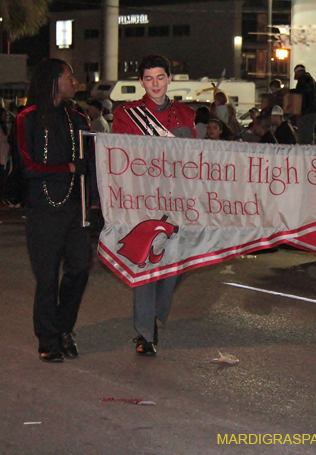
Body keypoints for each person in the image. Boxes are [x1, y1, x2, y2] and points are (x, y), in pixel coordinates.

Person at [113, 54, 196, 356]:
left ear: (170, 79)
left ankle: (154, 316)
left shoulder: (186, 114)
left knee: (174, 265)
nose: (155, 84)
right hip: (143, 201)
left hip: (178, 198)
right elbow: (120, 158)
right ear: (141, 82)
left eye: (160, 77)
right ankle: (145, 333)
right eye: (148, 79)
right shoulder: (126, 114)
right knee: (145, 263)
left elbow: (197, 159)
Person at [17, 58, 96, 362]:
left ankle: (64, 328)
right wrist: (68, 168)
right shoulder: (28, 118)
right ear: (53, 80)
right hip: (43, 210)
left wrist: (95, 197)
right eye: (69, 75)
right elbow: (28, 166)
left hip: (76, 209)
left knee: (79, 268)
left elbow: (90, 165)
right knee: (47, 277)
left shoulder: (78, 119)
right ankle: (48, 339)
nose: (75, 81)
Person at [291, 64, 316, 144]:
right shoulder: (313, 82)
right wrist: (315, 110)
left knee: (304, 137)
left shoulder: (303, 80)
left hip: (306, 113)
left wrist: (290, 91)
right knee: (309, 134)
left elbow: (300, 93)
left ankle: (306, 153)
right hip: (312, 112)